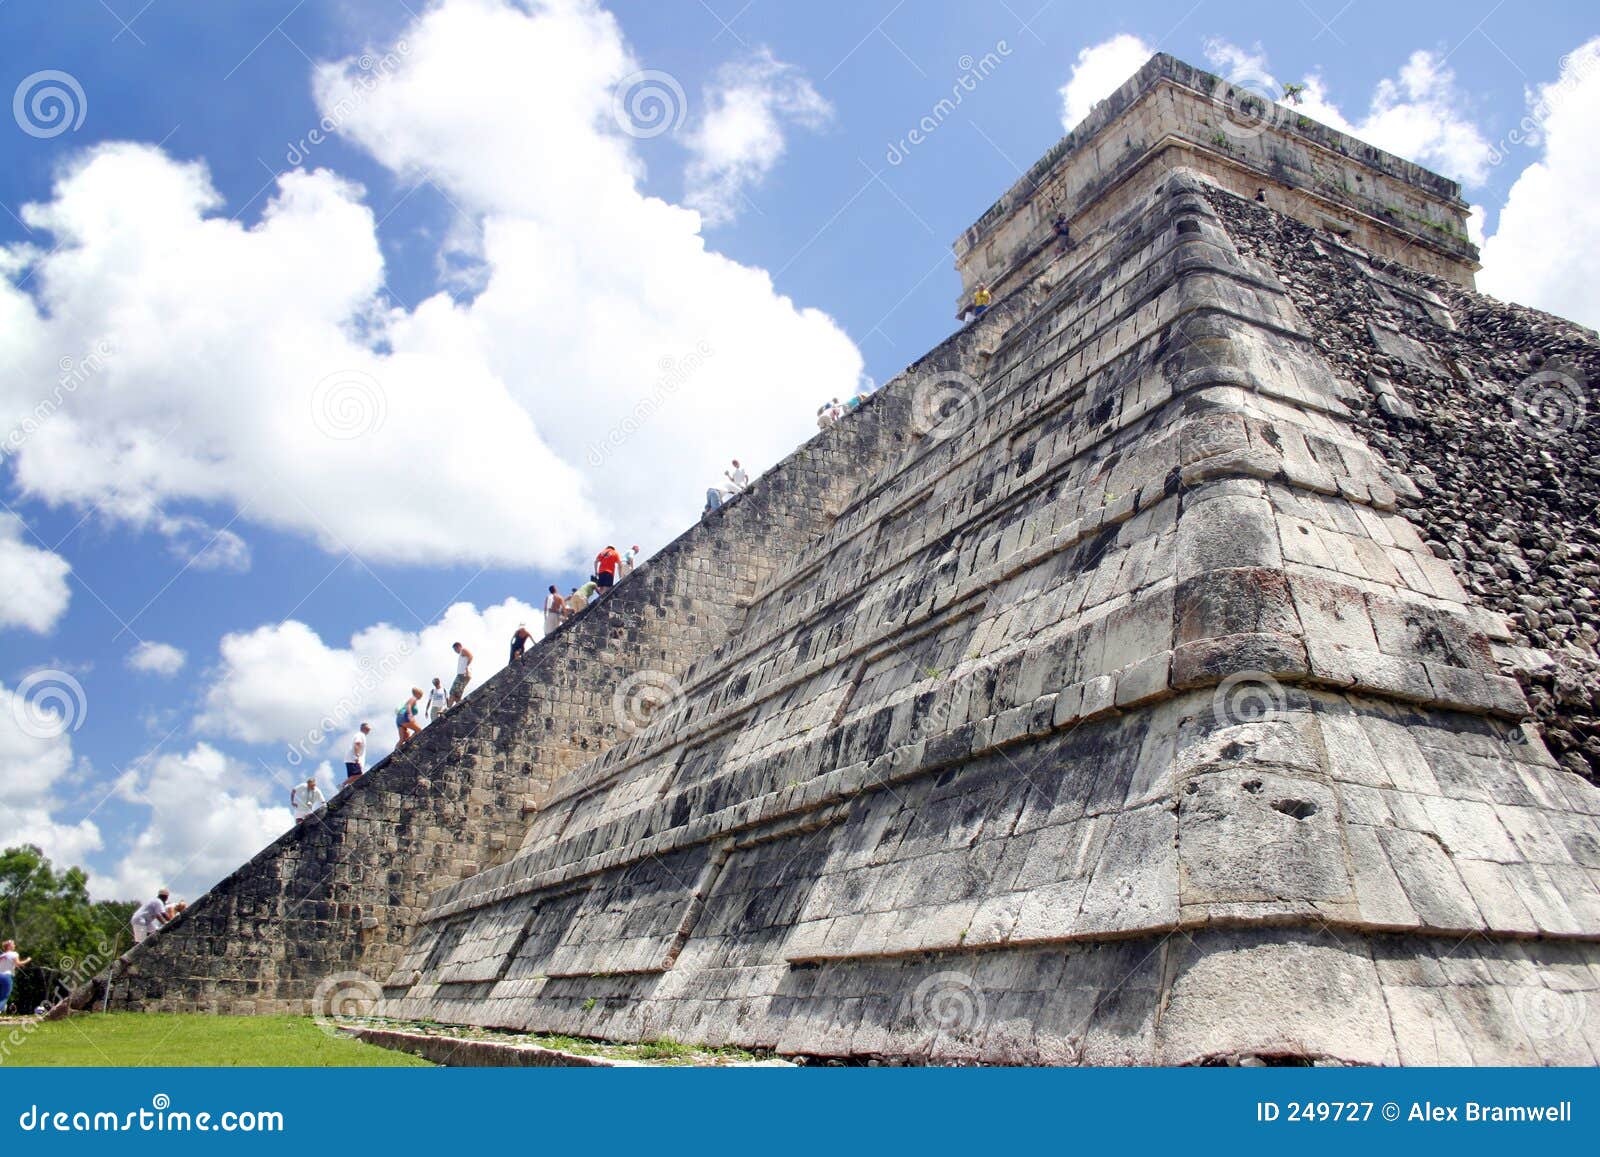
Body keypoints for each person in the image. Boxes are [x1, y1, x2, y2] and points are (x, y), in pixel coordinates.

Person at [0, 940, 29, 1012]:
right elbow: (18, 963)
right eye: (13, 944)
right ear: (9, 946)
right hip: (6, 976)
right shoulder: (14, 954)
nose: (14, 946)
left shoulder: (2, 955)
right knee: (4, 997)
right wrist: (27, 960)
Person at [448, 642, 473, 707]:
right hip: (463, 675)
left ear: (458, 646)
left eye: (455, 649)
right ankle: (462, 707)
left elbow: (471, 656)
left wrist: (466, 667)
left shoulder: (463, 650)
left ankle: (448, 708)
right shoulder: (461, 653)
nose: (455, 651)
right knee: (457, 694)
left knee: (453, 691)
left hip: (462, 675)